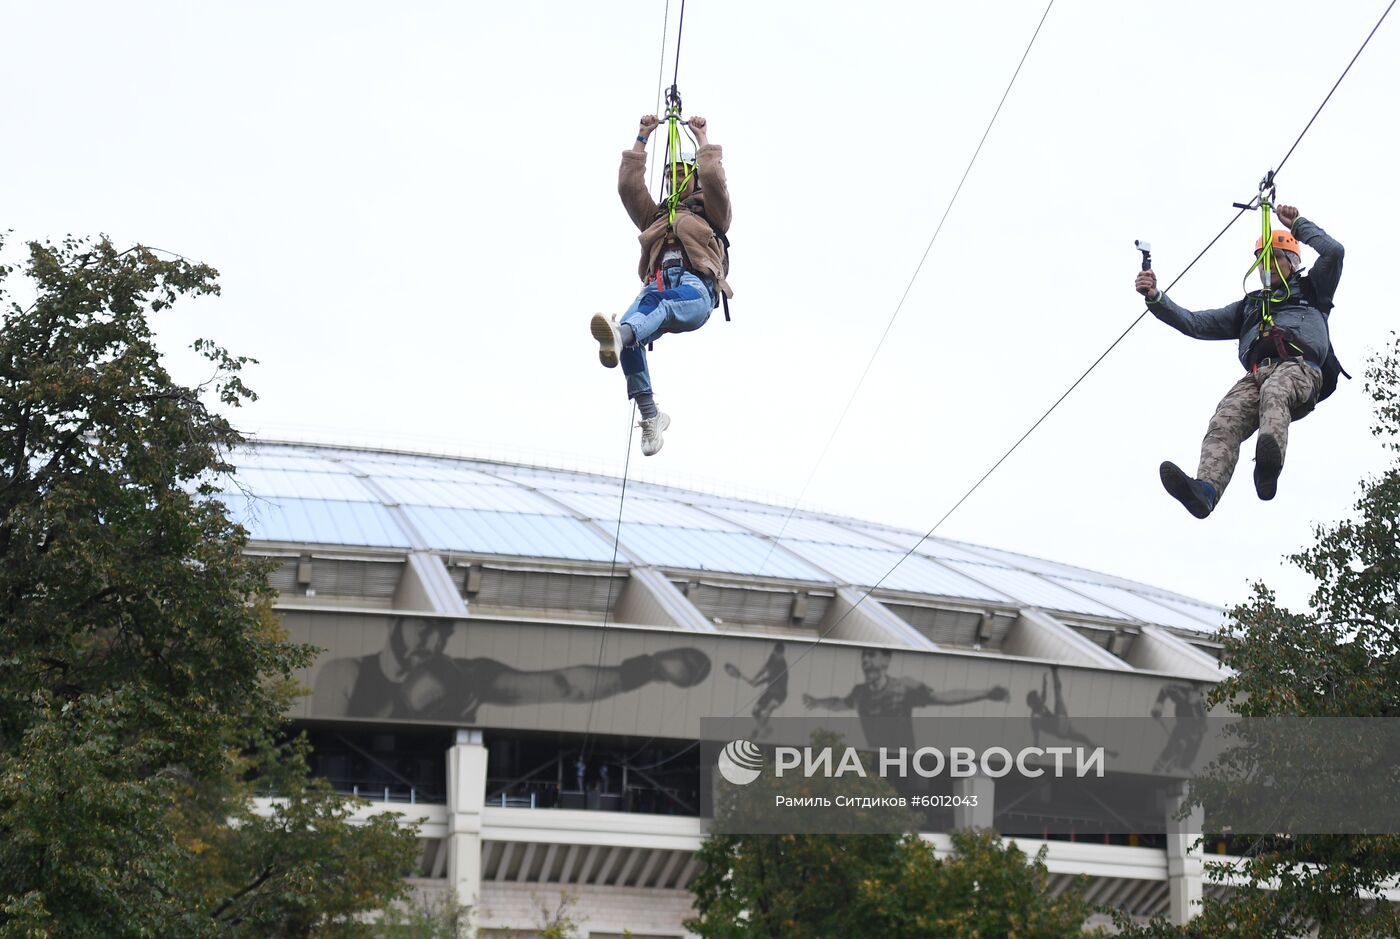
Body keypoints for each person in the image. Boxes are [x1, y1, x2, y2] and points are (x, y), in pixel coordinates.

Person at [1135, 205, 1344, 518]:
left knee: (1277, 389)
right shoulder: (1249, 307)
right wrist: (1155, 297)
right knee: (1224, 418)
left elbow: (1334, 252)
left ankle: (1268, 466)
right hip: (1258, 374)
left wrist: (1297, 224)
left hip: (1300, 368)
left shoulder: (1313, 289)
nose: (1269, 266)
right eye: (1264, 261)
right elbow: (1194, 323)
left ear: (1292, 263)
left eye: (1276, 258)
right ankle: (1205, 491)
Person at [589, 112, 733, 457]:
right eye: (672, 176)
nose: (676, 181)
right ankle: (651, 416)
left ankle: (620, 337)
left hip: (695, 286)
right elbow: (629, 187)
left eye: (684, 174)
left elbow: (714, 176)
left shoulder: (712, 214)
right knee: (633, 329)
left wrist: (701, 139)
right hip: (655, 286)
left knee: (649, 315)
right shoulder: (656, 216)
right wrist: (643, 136)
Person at [313, 616, 712, 721]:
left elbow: (564, 687)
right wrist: (403, 707)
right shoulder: (344, 675)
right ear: (394, 622)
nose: (430, 643)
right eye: (423, 628)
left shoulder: (466, 677)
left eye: (441, 635)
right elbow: (321, 756)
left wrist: (647, 670)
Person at [802, 647, 1008, 753]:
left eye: (871, 655)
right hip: (877, 764)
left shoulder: (905, 686)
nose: (865, 661)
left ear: (886, 660)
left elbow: (944, 698)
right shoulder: (859, 692)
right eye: (863, 657)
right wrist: (818, 701)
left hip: (906, 763)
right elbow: (839, 703)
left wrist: (985, 693)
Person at [1025, 665, 1118, 757]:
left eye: (1039, 699)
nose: (1040, 700)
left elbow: (1043, 694)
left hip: (1064, 728)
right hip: (1059, 727)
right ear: (1033, 704)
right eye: (1038, 699)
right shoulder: (1035, 717)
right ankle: (1054, 670)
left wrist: (1044, 681)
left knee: (1085, 739)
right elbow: (1036, 737)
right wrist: (1036, 752)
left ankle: (1109, 753)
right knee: (1058, 695)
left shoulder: (1040, 705)